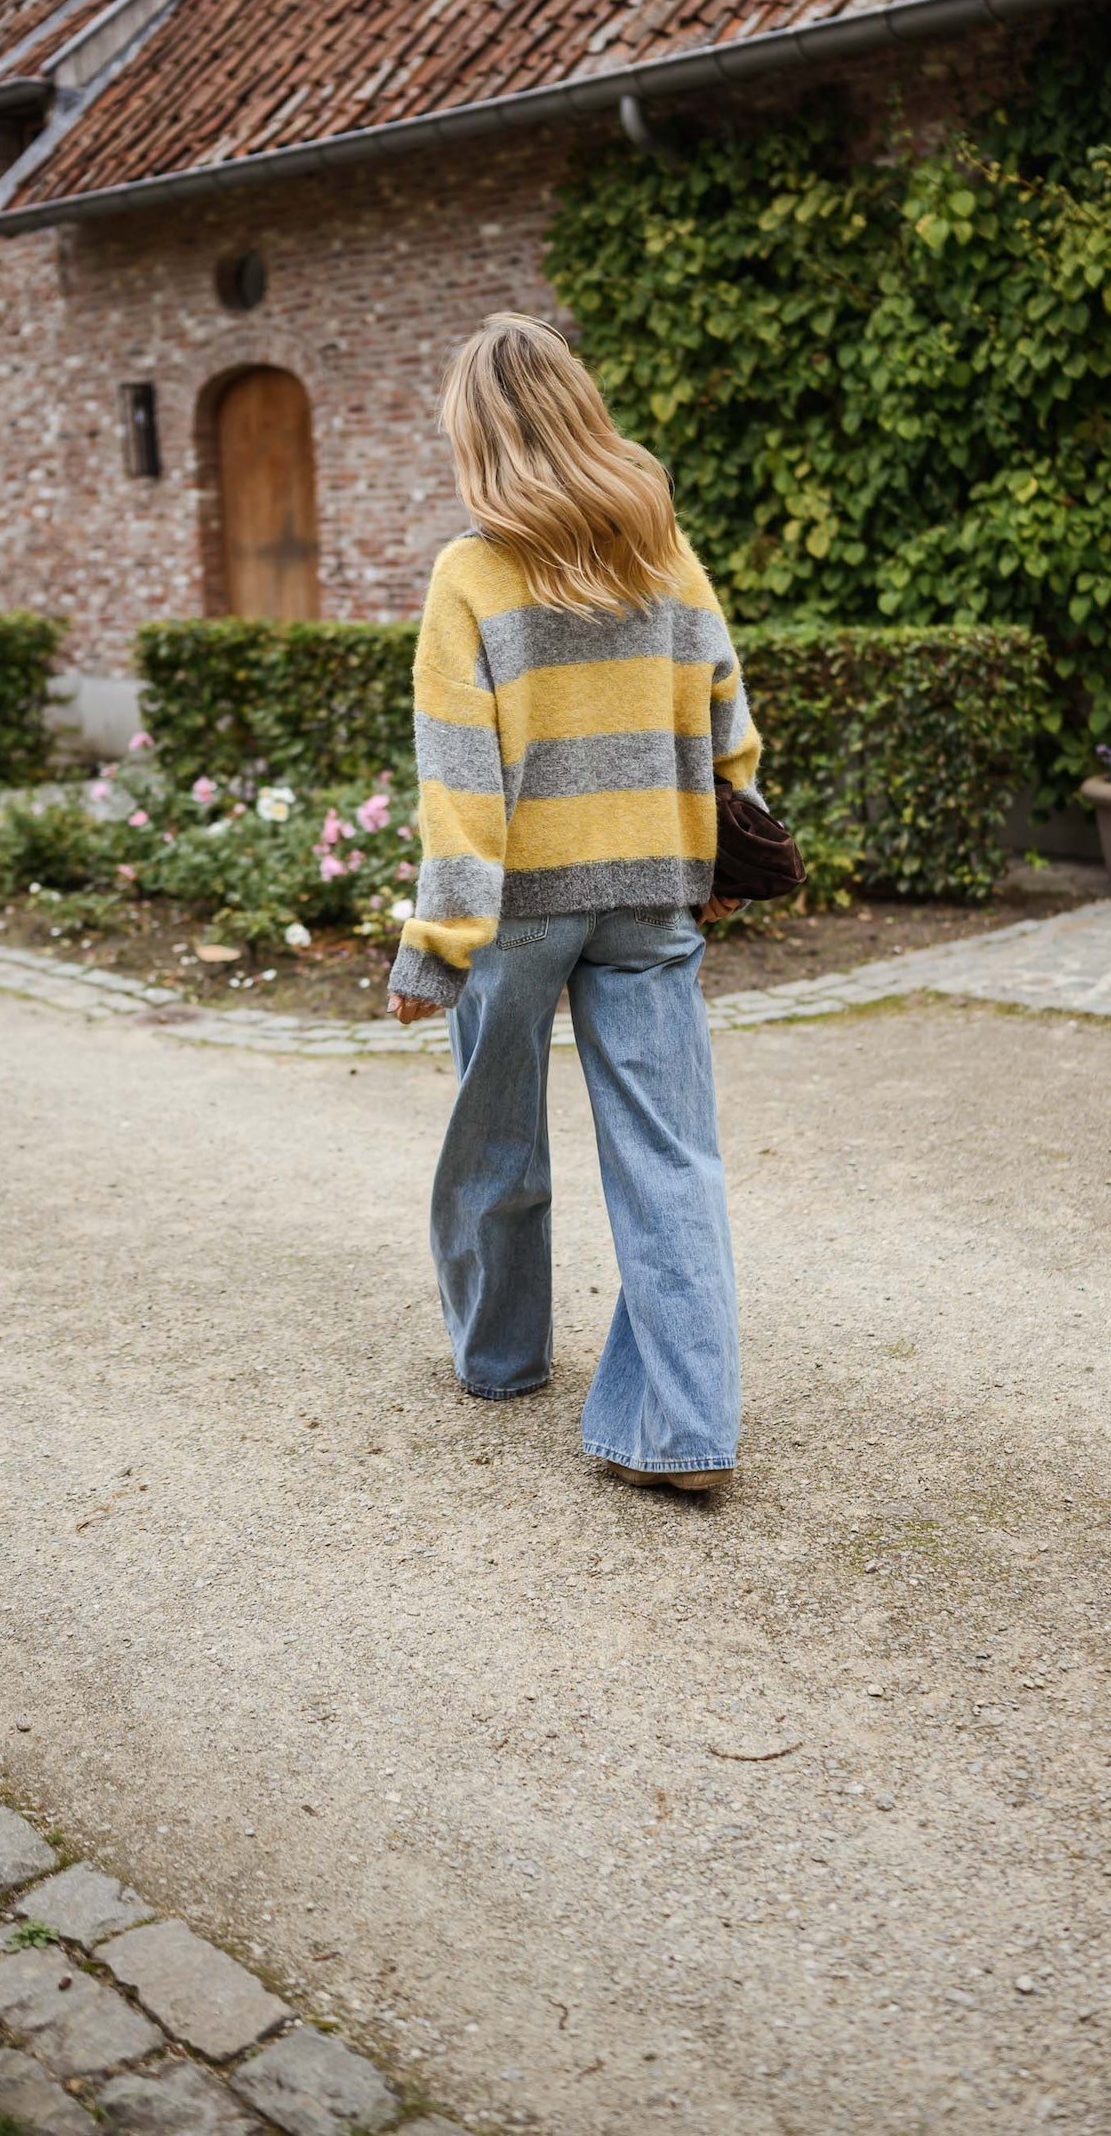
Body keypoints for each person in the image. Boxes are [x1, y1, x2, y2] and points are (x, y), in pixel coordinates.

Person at [387, 312, 760, 1492]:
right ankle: (686, 1428)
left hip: (517, 910)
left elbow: (460, 785)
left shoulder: (470, 574)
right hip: (652, 893)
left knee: (493, 1138)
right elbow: (730, 728)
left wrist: (435, 947)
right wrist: (719, 851)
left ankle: (501, 1361)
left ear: (478, 437)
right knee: (671, 1159)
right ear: (581, 413)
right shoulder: (665, 553)